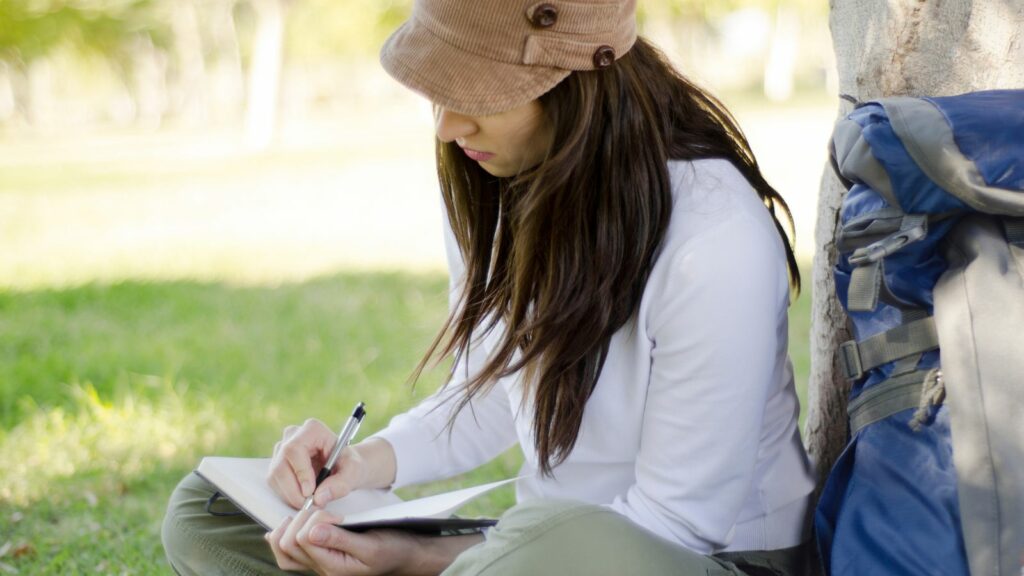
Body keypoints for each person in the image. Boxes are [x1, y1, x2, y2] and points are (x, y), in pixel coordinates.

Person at [160, 0, 817, 574]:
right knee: (207, 511)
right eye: (438, 93)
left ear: (578, 82)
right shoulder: (499, 179)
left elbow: (678, 522)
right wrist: (362, 467)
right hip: (537, 548)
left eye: (475, 95)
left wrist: (420, 558)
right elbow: (494, 389)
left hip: (699, 559)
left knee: (550, 542)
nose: (447, 126)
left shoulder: (714, 240)